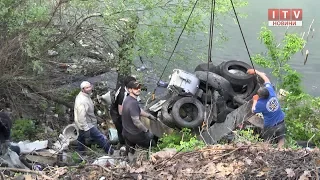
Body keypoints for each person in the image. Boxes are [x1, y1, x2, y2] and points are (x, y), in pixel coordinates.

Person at [247, 69, 286, 148]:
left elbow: (253, 110)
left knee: (267, 141)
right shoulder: (271, 91)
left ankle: (266, 155)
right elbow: (266, 79)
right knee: (281, 139)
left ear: (260, 97)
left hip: (270, 126)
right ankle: (281, 153)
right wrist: (256, 71)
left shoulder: (261, 104)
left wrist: (255, 100)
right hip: (281, 121)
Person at [74, 81, 114, 154]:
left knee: (81, 138)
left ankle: (80, 153)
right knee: (99, 137)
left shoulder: (85, 96)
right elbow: (81, 116)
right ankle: (110, 151)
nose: (90, 88)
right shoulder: (82, 101)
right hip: (86, 124)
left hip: (83, 123)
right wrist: (86, 128)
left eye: (90, 86)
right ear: (83, 89)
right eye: (87, 88)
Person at [121, 80, 157, 150]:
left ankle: (128, 155)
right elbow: (136, 121)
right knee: (152, 144)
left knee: (130, 149)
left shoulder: (128, 99)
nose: (139, 89)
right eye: (135, 88)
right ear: (130, 90)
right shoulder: (133, 103)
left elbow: (138, 110)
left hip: (125, 131)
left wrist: (149, 116)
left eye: (139, 87)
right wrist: (146, 131)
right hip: (134, 134)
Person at [110, 76, 136, 148]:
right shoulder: (122, 94)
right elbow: (120, 111)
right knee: (121, 128)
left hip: (120, 108)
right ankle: (123, 144)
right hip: (116, 112)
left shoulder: (126, 88)